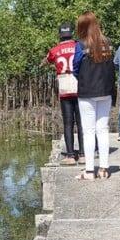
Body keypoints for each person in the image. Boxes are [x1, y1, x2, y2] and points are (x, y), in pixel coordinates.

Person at [73, 11, 116, 180]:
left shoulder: (80, 45)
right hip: (105, 90)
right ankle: (104, 169)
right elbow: (112, 66)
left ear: (82, 27)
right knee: (103, 129)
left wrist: (82, 78)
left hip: (87, 91)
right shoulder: (107, 43)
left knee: (89, 131)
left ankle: (89, 171)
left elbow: (75, 67)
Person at [44, 23, 83, 165]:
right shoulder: (79, 46)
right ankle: (83, 154)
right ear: (72, 33)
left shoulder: (55, 50)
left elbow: (47, 60)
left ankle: (70, 156)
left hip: (65, 86)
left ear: (60, 35)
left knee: (68, 123)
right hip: (79, 85)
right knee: (81, 122)